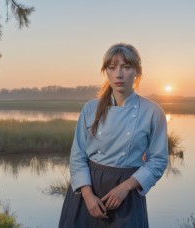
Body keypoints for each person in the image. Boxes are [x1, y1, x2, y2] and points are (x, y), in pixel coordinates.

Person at [59, 43, 168, 228]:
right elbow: (78, 155)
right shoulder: (90, 109)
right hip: (87, 193)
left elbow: (158, 160)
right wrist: (87, 195)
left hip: (127, 195)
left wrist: (125, 187)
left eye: (126, 67)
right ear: (106, 72)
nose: (119, 74)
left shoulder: (153, 112)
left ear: (137, 72)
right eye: (112, 67)